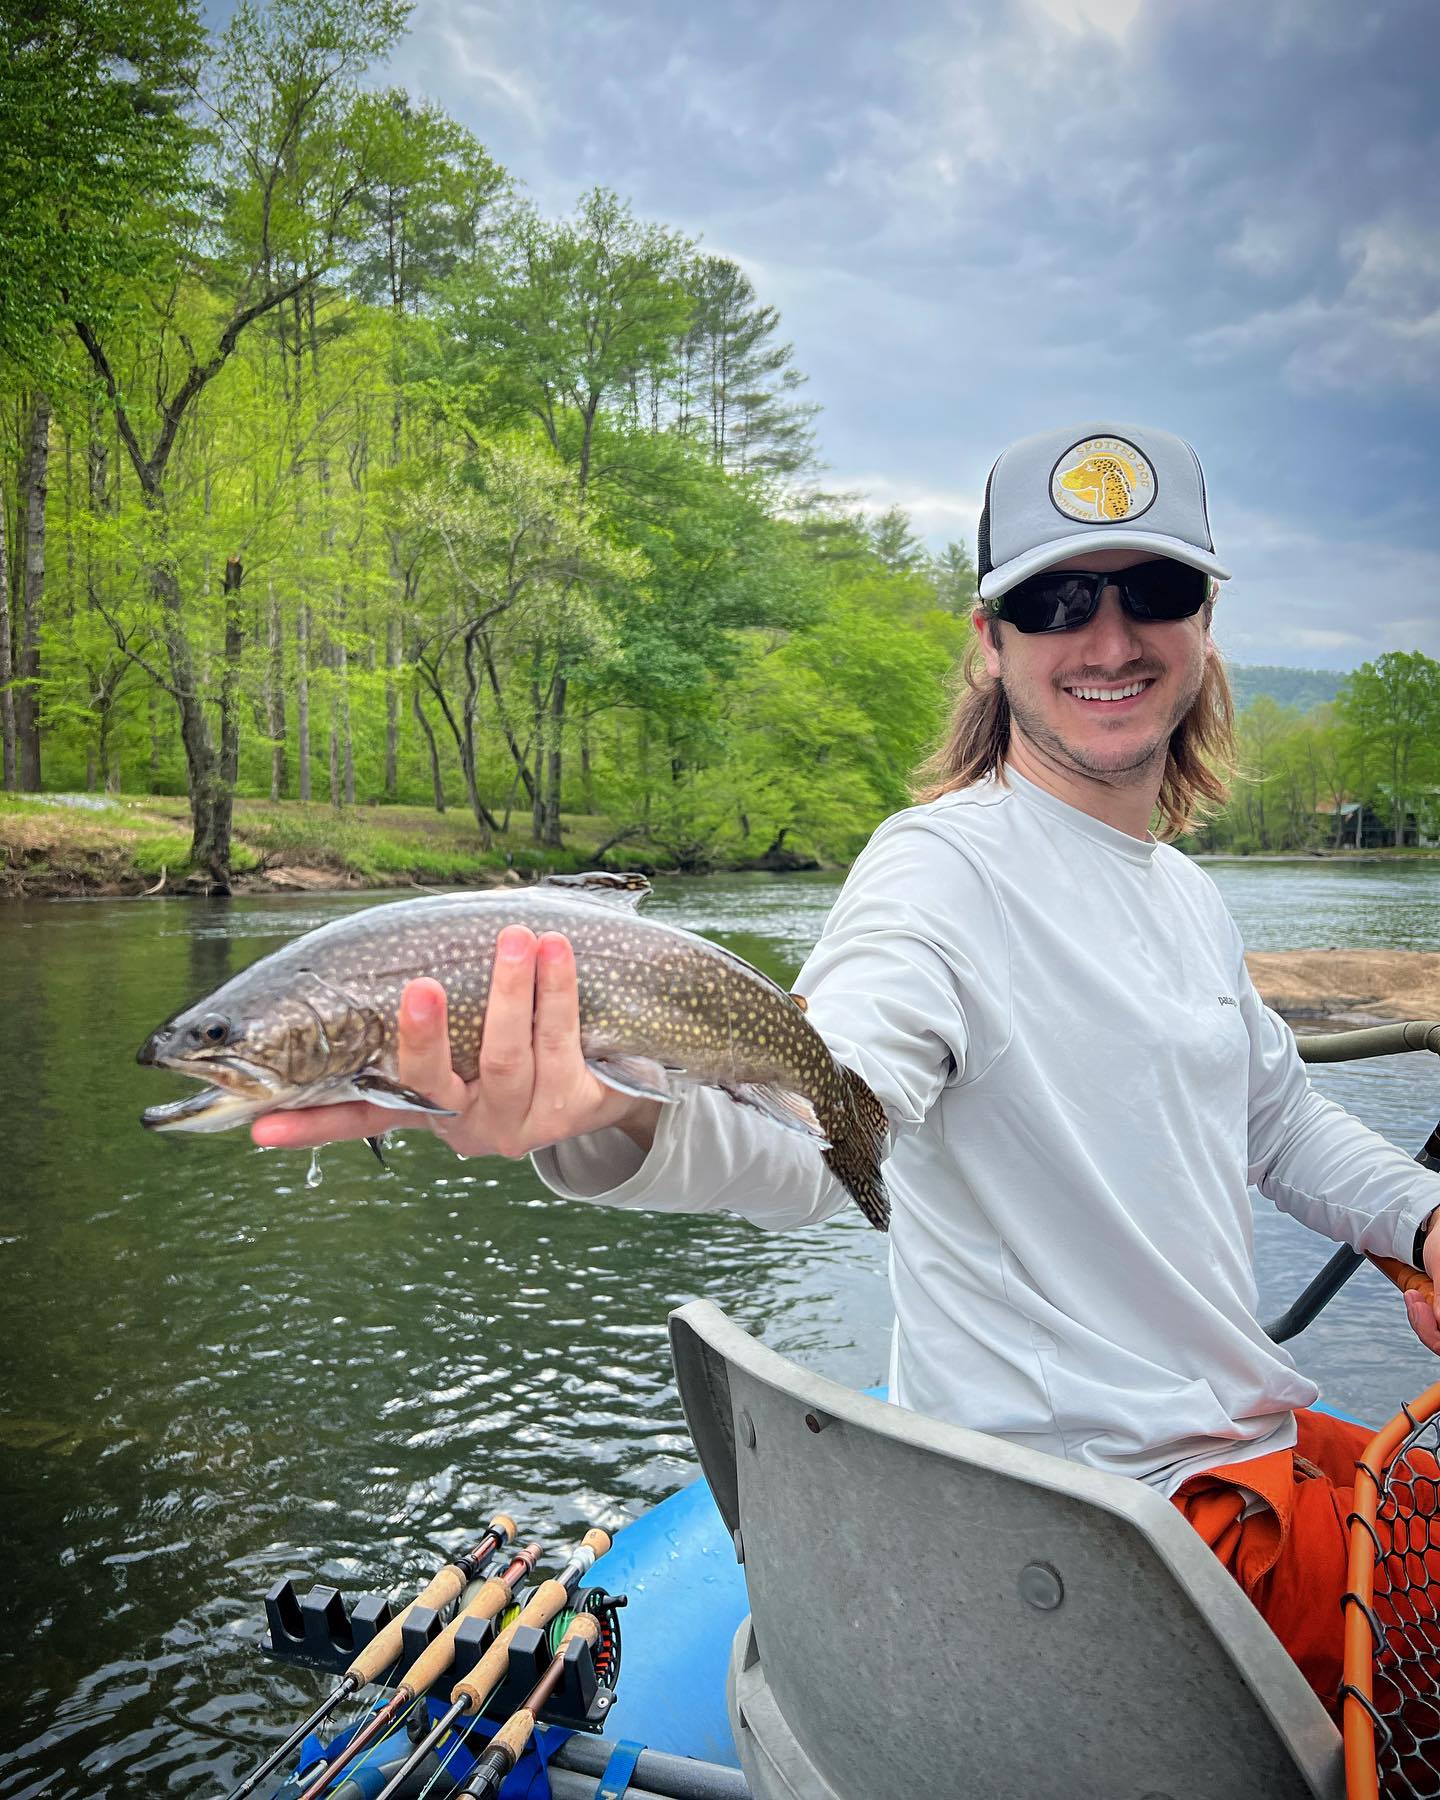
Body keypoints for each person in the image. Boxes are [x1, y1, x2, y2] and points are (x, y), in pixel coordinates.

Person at [252, 421, 1440, 1715]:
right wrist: (605, 1115)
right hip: (1138, 1546)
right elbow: (821, 1114)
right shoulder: (941, 874)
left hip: (1247, 1451)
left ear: (1204, 624)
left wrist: (1424, 1222)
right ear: (990, 643)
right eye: (1055, 600)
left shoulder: (1188, 898)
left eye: (1151, 592)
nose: (1107, 641)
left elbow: (1279, 1122)